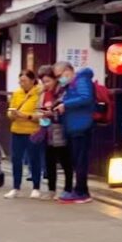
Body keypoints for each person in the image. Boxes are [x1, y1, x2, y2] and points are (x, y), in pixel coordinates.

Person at [58, 62, 96, 204]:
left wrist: (65, 104)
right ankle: (80, 190)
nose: (59, 79)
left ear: (68, 71)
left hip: (81, 125)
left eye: (59, 75)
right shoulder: (71, 84)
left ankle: (81, 192)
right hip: (75, 126)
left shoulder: (81, 80)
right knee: (77, 160)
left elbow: (85, 97)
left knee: (80, 160)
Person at [4, 69, 44, 199]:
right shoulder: (16, 93)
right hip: (17, 130)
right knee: (16, 159)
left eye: (24, 81)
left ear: (32, 81)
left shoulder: (39, 93)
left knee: (34, 159)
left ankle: (36, 187)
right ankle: (16, 187)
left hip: (32, 131)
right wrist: (12, 114)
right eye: (20, 81)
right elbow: (10, 110)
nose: (22, 83)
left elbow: (40, 115)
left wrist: (25, 115)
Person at [36, 65, 73, 200]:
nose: (46, 84)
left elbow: (65, 111)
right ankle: (51, 190)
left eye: (48, 81)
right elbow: (38, 108)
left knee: (65, 160)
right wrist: (40, 114)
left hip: (60, 129)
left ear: (55, 80)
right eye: (43, 82)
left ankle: (68, 188)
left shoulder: (62, 92)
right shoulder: (42, 93)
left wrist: (52, 113)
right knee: (49, 161)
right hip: (46, 130)